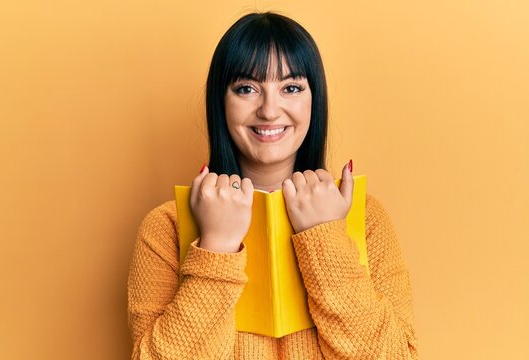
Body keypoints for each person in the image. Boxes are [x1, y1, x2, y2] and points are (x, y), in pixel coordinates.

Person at [127, 11, 419, 359]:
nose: (269, 110)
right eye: (247, 88)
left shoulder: (364, 216)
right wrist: (216, 246)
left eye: (291, 87)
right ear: (221, 102)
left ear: (315, 100)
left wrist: (325, 235)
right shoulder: (167, 227)